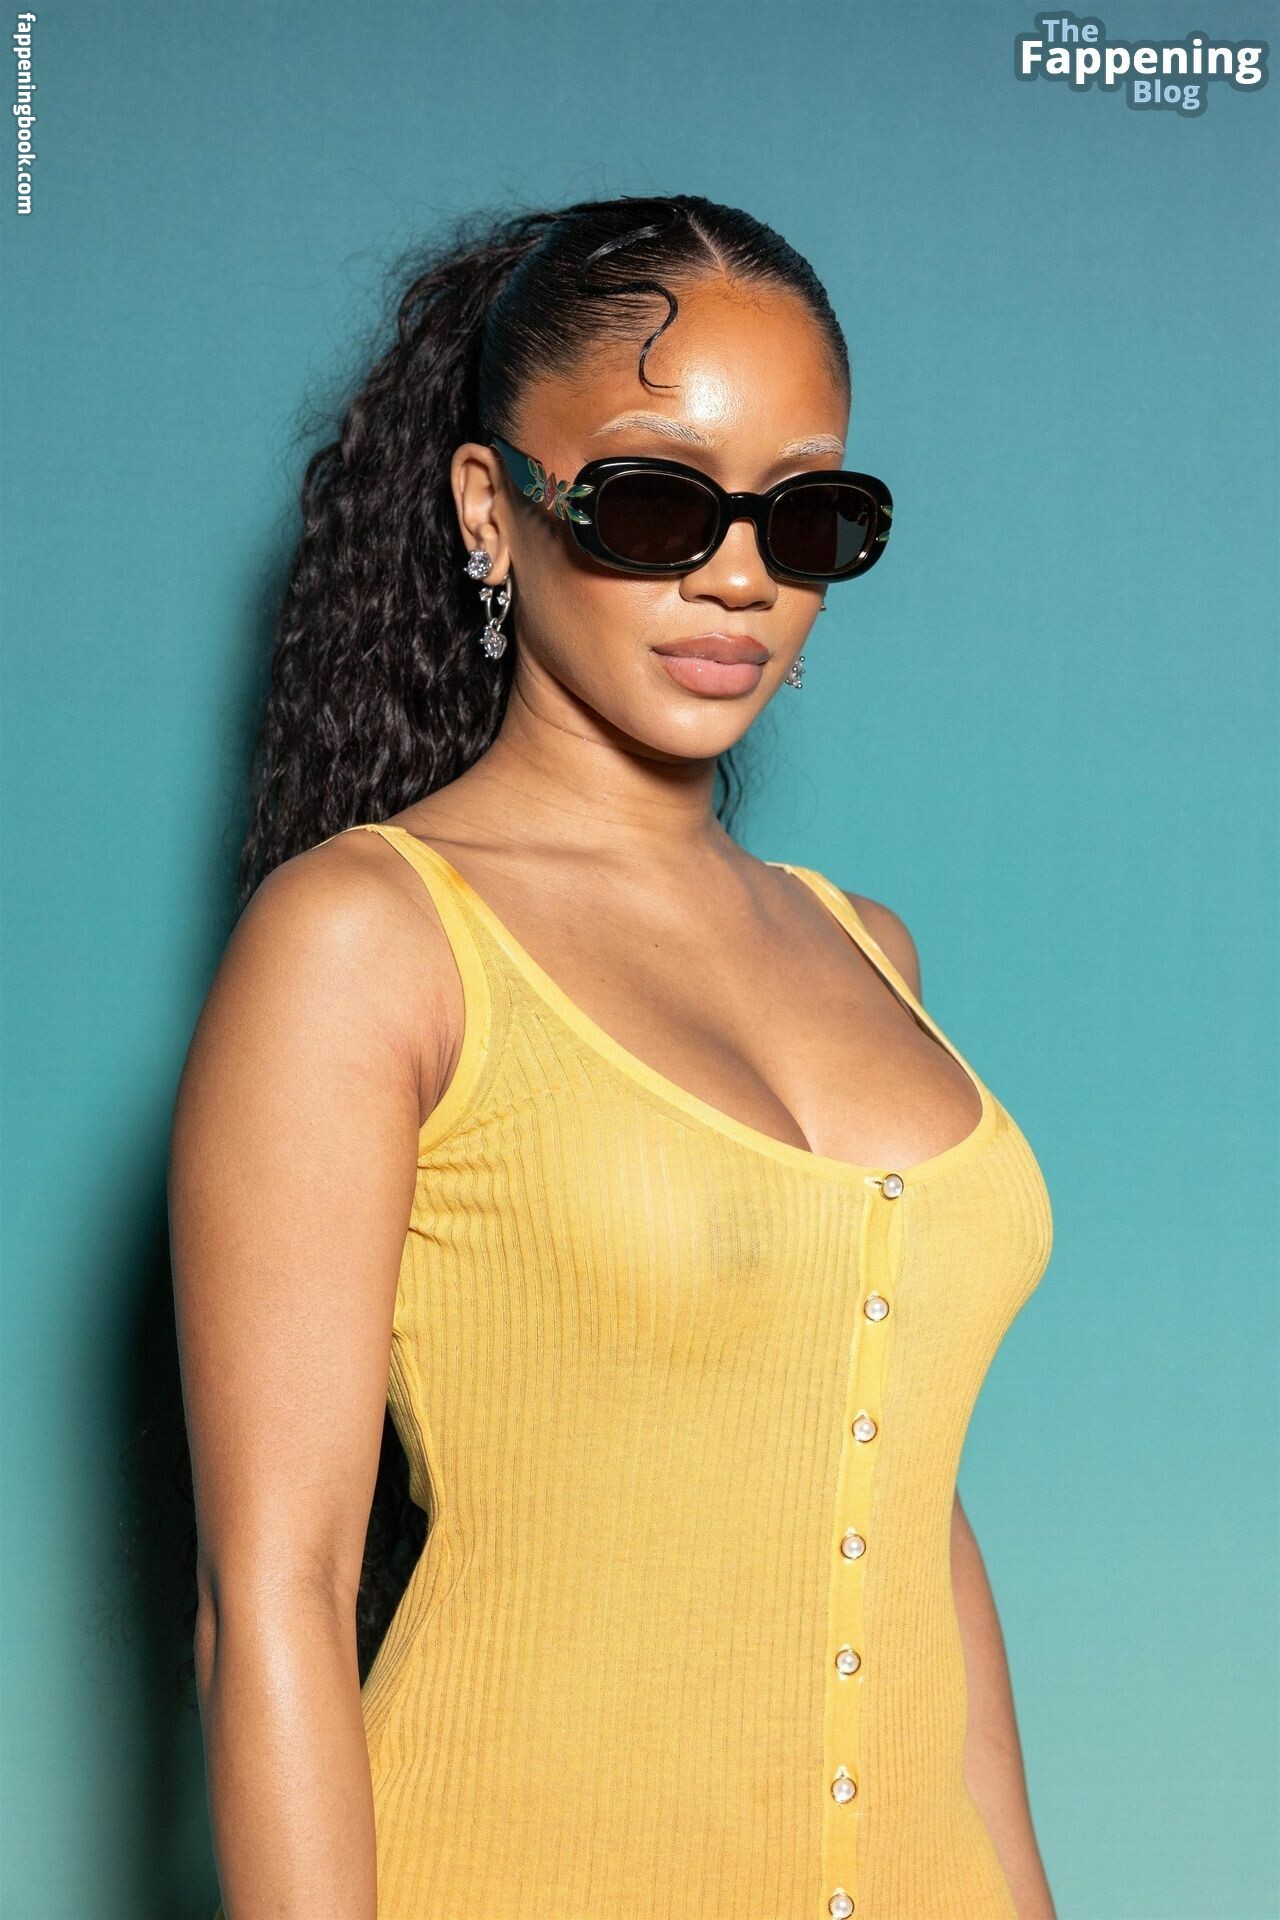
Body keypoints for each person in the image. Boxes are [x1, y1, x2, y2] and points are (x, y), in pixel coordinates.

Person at [169, 193, 1056, 1920]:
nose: (741, 573)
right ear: (488, 509)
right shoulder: (368, 939)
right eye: (655, 502)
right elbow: (273, 1590)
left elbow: (916, 1531)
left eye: (809, 517)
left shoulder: (872, 950)